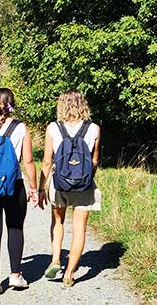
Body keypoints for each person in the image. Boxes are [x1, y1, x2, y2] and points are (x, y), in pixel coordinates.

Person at [0, 88, 41, 296]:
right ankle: (15, 275)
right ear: (12, 105)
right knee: (15, 228)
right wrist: (34, 187)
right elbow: (28, 161)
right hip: (14, 186)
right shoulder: (20, 128)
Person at [41, 89, 102, 287]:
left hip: (59, 184)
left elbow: (47, 161)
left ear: (61, 105)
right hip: (83, 186)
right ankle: (69, 274)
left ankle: (56, 259)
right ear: (83, 105)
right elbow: (94, 161)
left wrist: (43, 188)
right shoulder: (94, 128)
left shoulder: (53, 128)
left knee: (57, 221)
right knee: (79, 230)